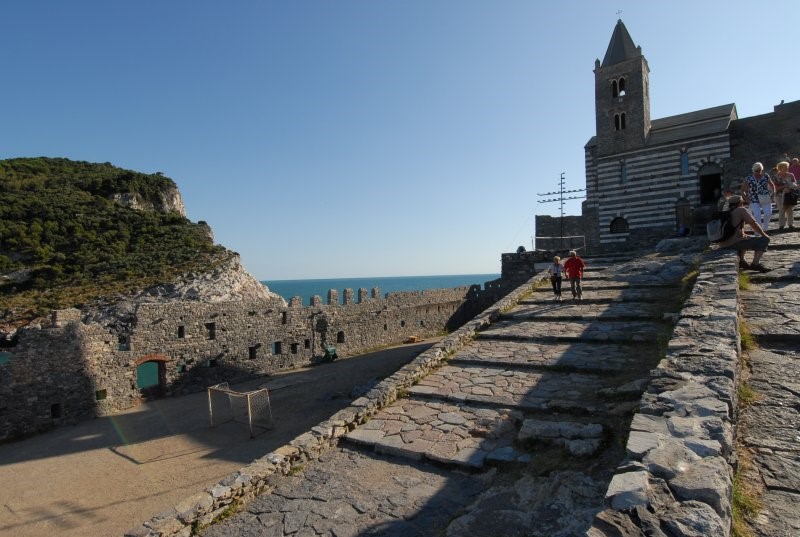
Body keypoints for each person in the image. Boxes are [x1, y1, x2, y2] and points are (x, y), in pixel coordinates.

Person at [716, 195, 771, 272]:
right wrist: (764, 235)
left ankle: (742, 261)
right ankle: (755, 264)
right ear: (740, 203)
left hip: (723, 244)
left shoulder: (725, 213)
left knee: (745, 237)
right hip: (733, 243)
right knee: (765, 240)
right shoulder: (741, 210)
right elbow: (754, 224)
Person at [741, 162, 775, 231]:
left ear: (761, 169)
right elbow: (742, 190)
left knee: (768, 213)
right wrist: (746, 199)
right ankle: (758, 231)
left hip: (765, 197)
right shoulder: (749, 178)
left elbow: (772, 185)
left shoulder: (766, 176)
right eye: (756, 170)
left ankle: (765, 229)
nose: (758, 172)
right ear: (753, 170)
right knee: (757, 215)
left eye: (759, 170)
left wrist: (773, 194)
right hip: (753, 199)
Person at [773, 161, 798, 230]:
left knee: (790, 209)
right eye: (786, 167)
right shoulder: (775, 177)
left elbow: (795, 184)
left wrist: (792, 187)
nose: (787, 168)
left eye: (787, 167)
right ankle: (781, 225)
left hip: (789, 194)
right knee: (782, 209)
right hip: (779, 195)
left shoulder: (791, 175)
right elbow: (775, 188)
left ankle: (791, 224)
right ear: (781, 168)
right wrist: (785, 186)